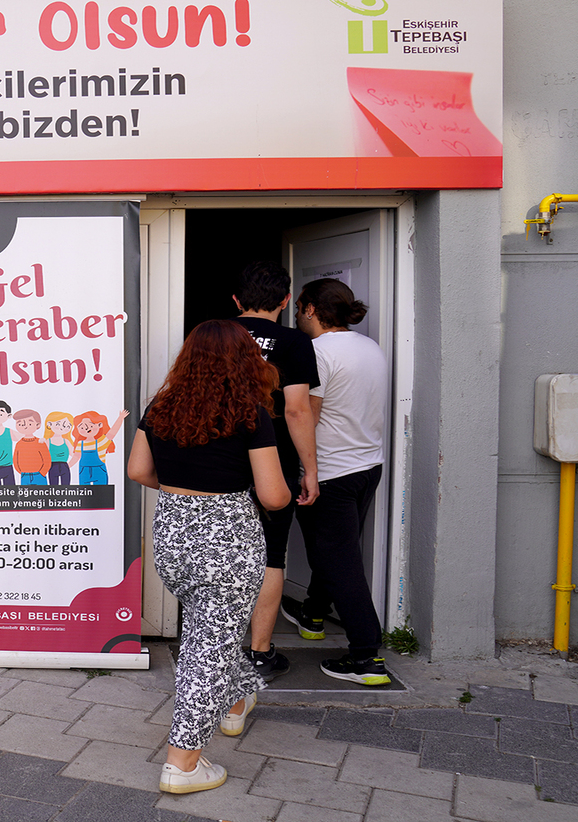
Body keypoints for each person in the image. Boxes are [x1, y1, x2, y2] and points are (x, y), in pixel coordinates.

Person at [128, 320, 290, 795]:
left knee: (209, 632)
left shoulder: (161, 407)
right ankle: (182, 764)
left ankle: (236, 703)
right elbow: (273, 495)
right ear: (245, 362)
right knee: (208, 646)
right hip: (228, 543)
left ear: (189, 359)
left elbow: (138, 470)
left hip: (173, 539)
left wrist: (182, 489)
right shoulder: (250, 413)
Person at [287, 279, 392, 686]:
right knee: (334, 551)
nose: (297, 314)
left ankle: (366, 655)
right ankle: (313, 614)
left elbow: (307, 416)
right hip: (367, 467)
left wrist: (306, 470)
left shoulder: (316, 352)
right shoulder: (370, 347)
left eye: (300, 307)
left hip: (331, 471)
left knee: (339, 561)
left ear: (310, 309)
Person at [231, 261, 320, 682]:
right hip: (273, 457)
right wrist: (310, 469)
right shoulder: (294, 342)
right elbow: (297, 409)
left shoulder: (213, 335)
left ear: (235, 300)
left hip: (218, 457)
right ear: (285, 301)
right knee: (271, 553)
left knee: (220, 551)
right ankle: (259, 653)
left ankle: (217, 650)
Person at [70, 409, 128, 486]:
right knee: (85, 492)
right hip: (84, 472)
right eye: (82, 427)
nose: (86, 429)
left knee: (102, 491)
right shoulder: (80, 444)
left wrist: (120, 418)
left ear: (99, 425)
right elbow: (76, 457)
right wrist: (68, 466)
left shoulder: (101, 442)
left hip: (99, 471)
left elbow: (112, 433)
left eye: (91, 426)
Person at [11, 409, 51, 485]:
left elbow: (47, 459)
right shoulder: (19, 444)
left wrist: (42, 472)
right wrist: (21, 472)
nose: (24, 426)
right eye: (20, 424)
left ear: (38, 425)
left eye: (29, 424)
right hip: (24, 475)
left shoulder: (40, 442)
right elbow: (16, 460)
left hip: (39, 475)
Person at [44, 411, 77, 485]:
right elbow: (43, 456)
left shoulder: (66, 441)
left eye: (67, 426)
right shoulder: (48, 441)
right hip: (52, 466)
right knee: (53, 487)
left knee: (65, 488)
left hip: (64, 466)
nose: (63, 428)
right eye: (59, 424)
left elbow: (75, 455)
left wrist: (69, 465)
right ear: (49, 424)